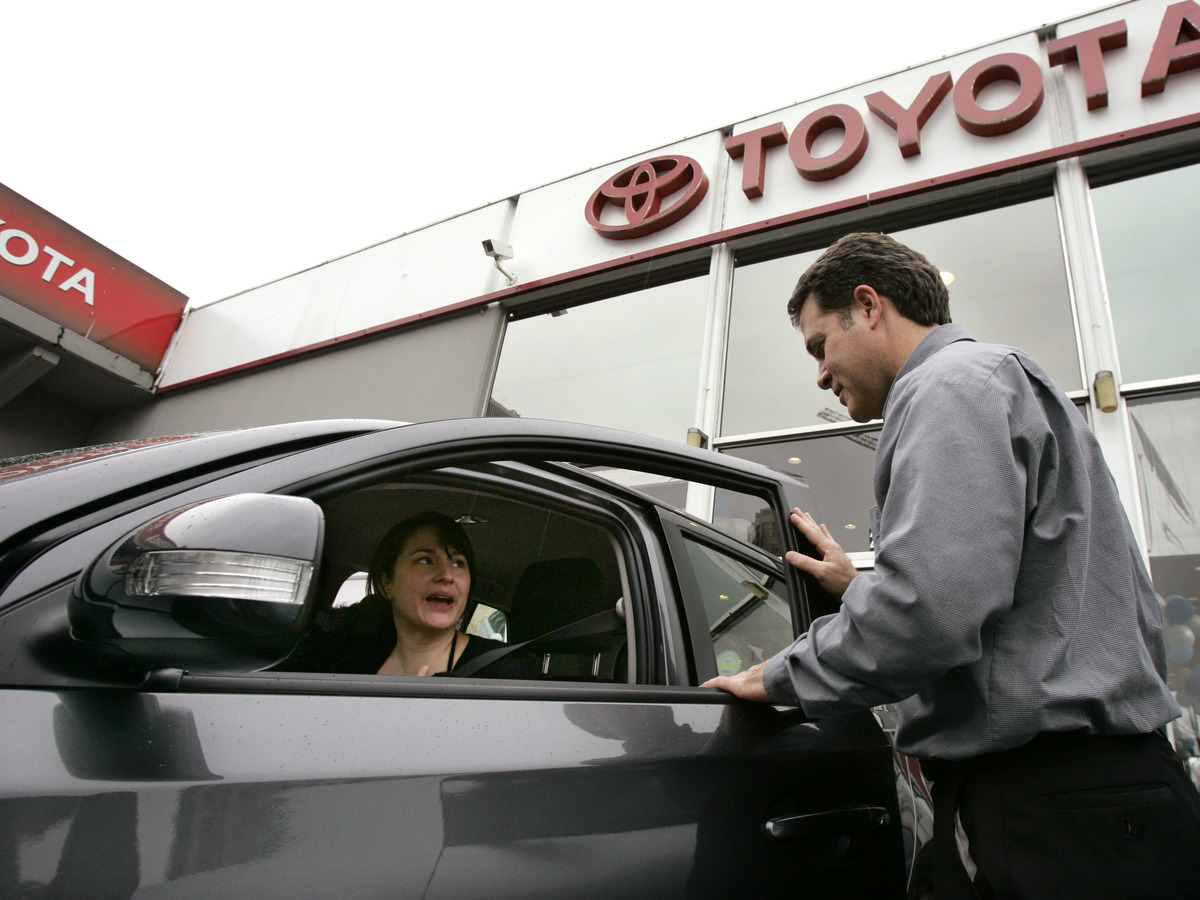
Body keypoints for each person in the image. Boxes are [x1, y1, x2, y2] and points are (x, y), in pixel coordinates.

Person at [704, 232, 1200, 898]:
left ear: (869, 306)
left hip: (1050, 808)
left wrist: (773, 677)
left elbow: (930, 616)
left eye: (821, 346)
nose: (820, 375)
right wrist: (861, 589)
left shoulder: (947, 388)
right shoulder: (996, 380)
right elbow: (1014, 596)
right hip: (1096, 803)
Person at [291, 511, 503, 675]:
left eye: (458, 563)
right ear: (387, 584)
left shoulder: (504, 672)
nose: (447, 575)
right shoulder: (351, 668)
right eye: (425, 560)